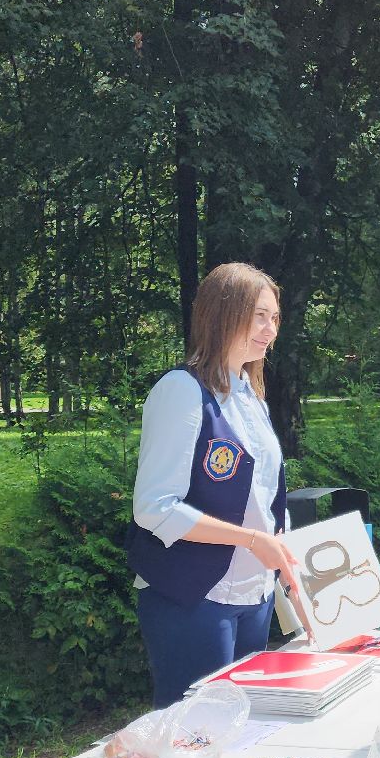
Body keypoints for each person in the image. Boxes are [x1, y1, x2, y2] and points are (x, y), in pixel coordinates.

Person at [127, 263, 300, 706]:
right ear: (223, 313)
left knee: (244, 731)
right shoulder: (181, 390)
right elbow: (154, 507)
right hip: (194, 597)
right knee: (195, 737)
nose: (270, 329)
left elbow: (263, 496)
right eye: (259, 315)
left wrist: (284, 557)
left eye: (275, 318)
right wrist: (252, 540)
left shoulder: (250, 395)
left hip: (254, 595)